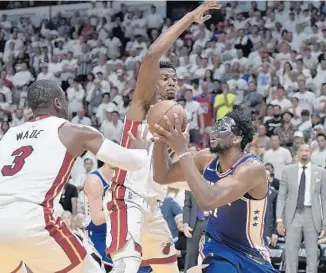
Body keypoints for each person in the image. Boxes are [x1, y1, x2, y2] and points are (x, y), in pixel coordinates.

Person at [103, 2, 221, 273]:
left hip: (154, 206)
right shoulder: (141, 107)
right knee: (127, 266)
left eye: (174, 78)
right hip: (127, 199)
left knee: (169, 270)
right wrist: (190, 18)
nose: (171, 82)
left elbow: (174, 173)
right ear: (152, 81)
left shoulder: (175, 123)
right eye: (165, 77)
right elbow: (151, 56)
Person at [0, 79, 150, 273]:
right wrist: (142, 151)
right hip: (33, 220)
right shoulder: (73, 130)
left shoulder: (9, 135)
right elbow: (132, 162)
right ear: (58, 103)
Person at [152, 109, 276, 273]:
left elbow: (208, 201)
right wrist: (161, 139)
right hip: (218, 247)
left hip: (252, 254)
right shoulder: (206, 158)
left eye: (222, 128)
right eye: (215, 127)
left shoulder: (252, 168)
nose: (214, 132)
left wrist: (183, 151)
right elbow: (162, 176)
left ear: (237, 138)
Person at [276, 143, 326, 273]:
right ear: (298, 153)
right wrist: (279, 219)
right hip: (292, 215)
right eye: (301, 150)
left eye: (307, 150)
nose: (304, 153)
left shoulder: (320, 171)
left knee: (312, 256)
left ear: (311, 153)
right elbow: (281, 196)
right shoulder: (287, 170)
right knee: (290, 255)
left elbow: (325, 199)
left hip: (312, 215)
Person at [84, 161, 115, 272]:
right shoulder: (95, 180)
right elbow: (97, 219)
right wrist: (121, 207)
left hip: (116, 231)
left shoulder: (124, 177)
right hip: (97, 232)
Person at [183, 190, 209, 272]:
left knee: (210, 255)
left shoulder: (217, 178)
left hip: (212, 222)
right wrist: (186, 224)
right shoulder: (190, 181)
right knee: (191, 256)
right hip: (195, 224)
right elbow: (187, 205)